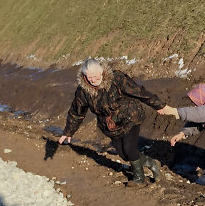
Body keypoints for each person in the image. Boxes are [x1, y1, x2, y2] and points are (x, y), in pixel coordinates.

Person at [58, 58, 166, 187]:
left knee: (129, 148)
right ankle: (150, 163)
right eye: (89, 77)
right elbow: (77, 111)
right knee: (124, 154)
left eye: (95, 76)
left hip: (130, 117)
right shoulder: (83, 91)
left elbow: (139, 92)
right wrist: (69, 131)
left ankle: (139, 179)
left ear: (102, 72)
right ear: (84, 76)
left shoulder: (117, 79)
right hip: (110, 125)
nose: (93, 80)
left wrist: (158, 105)